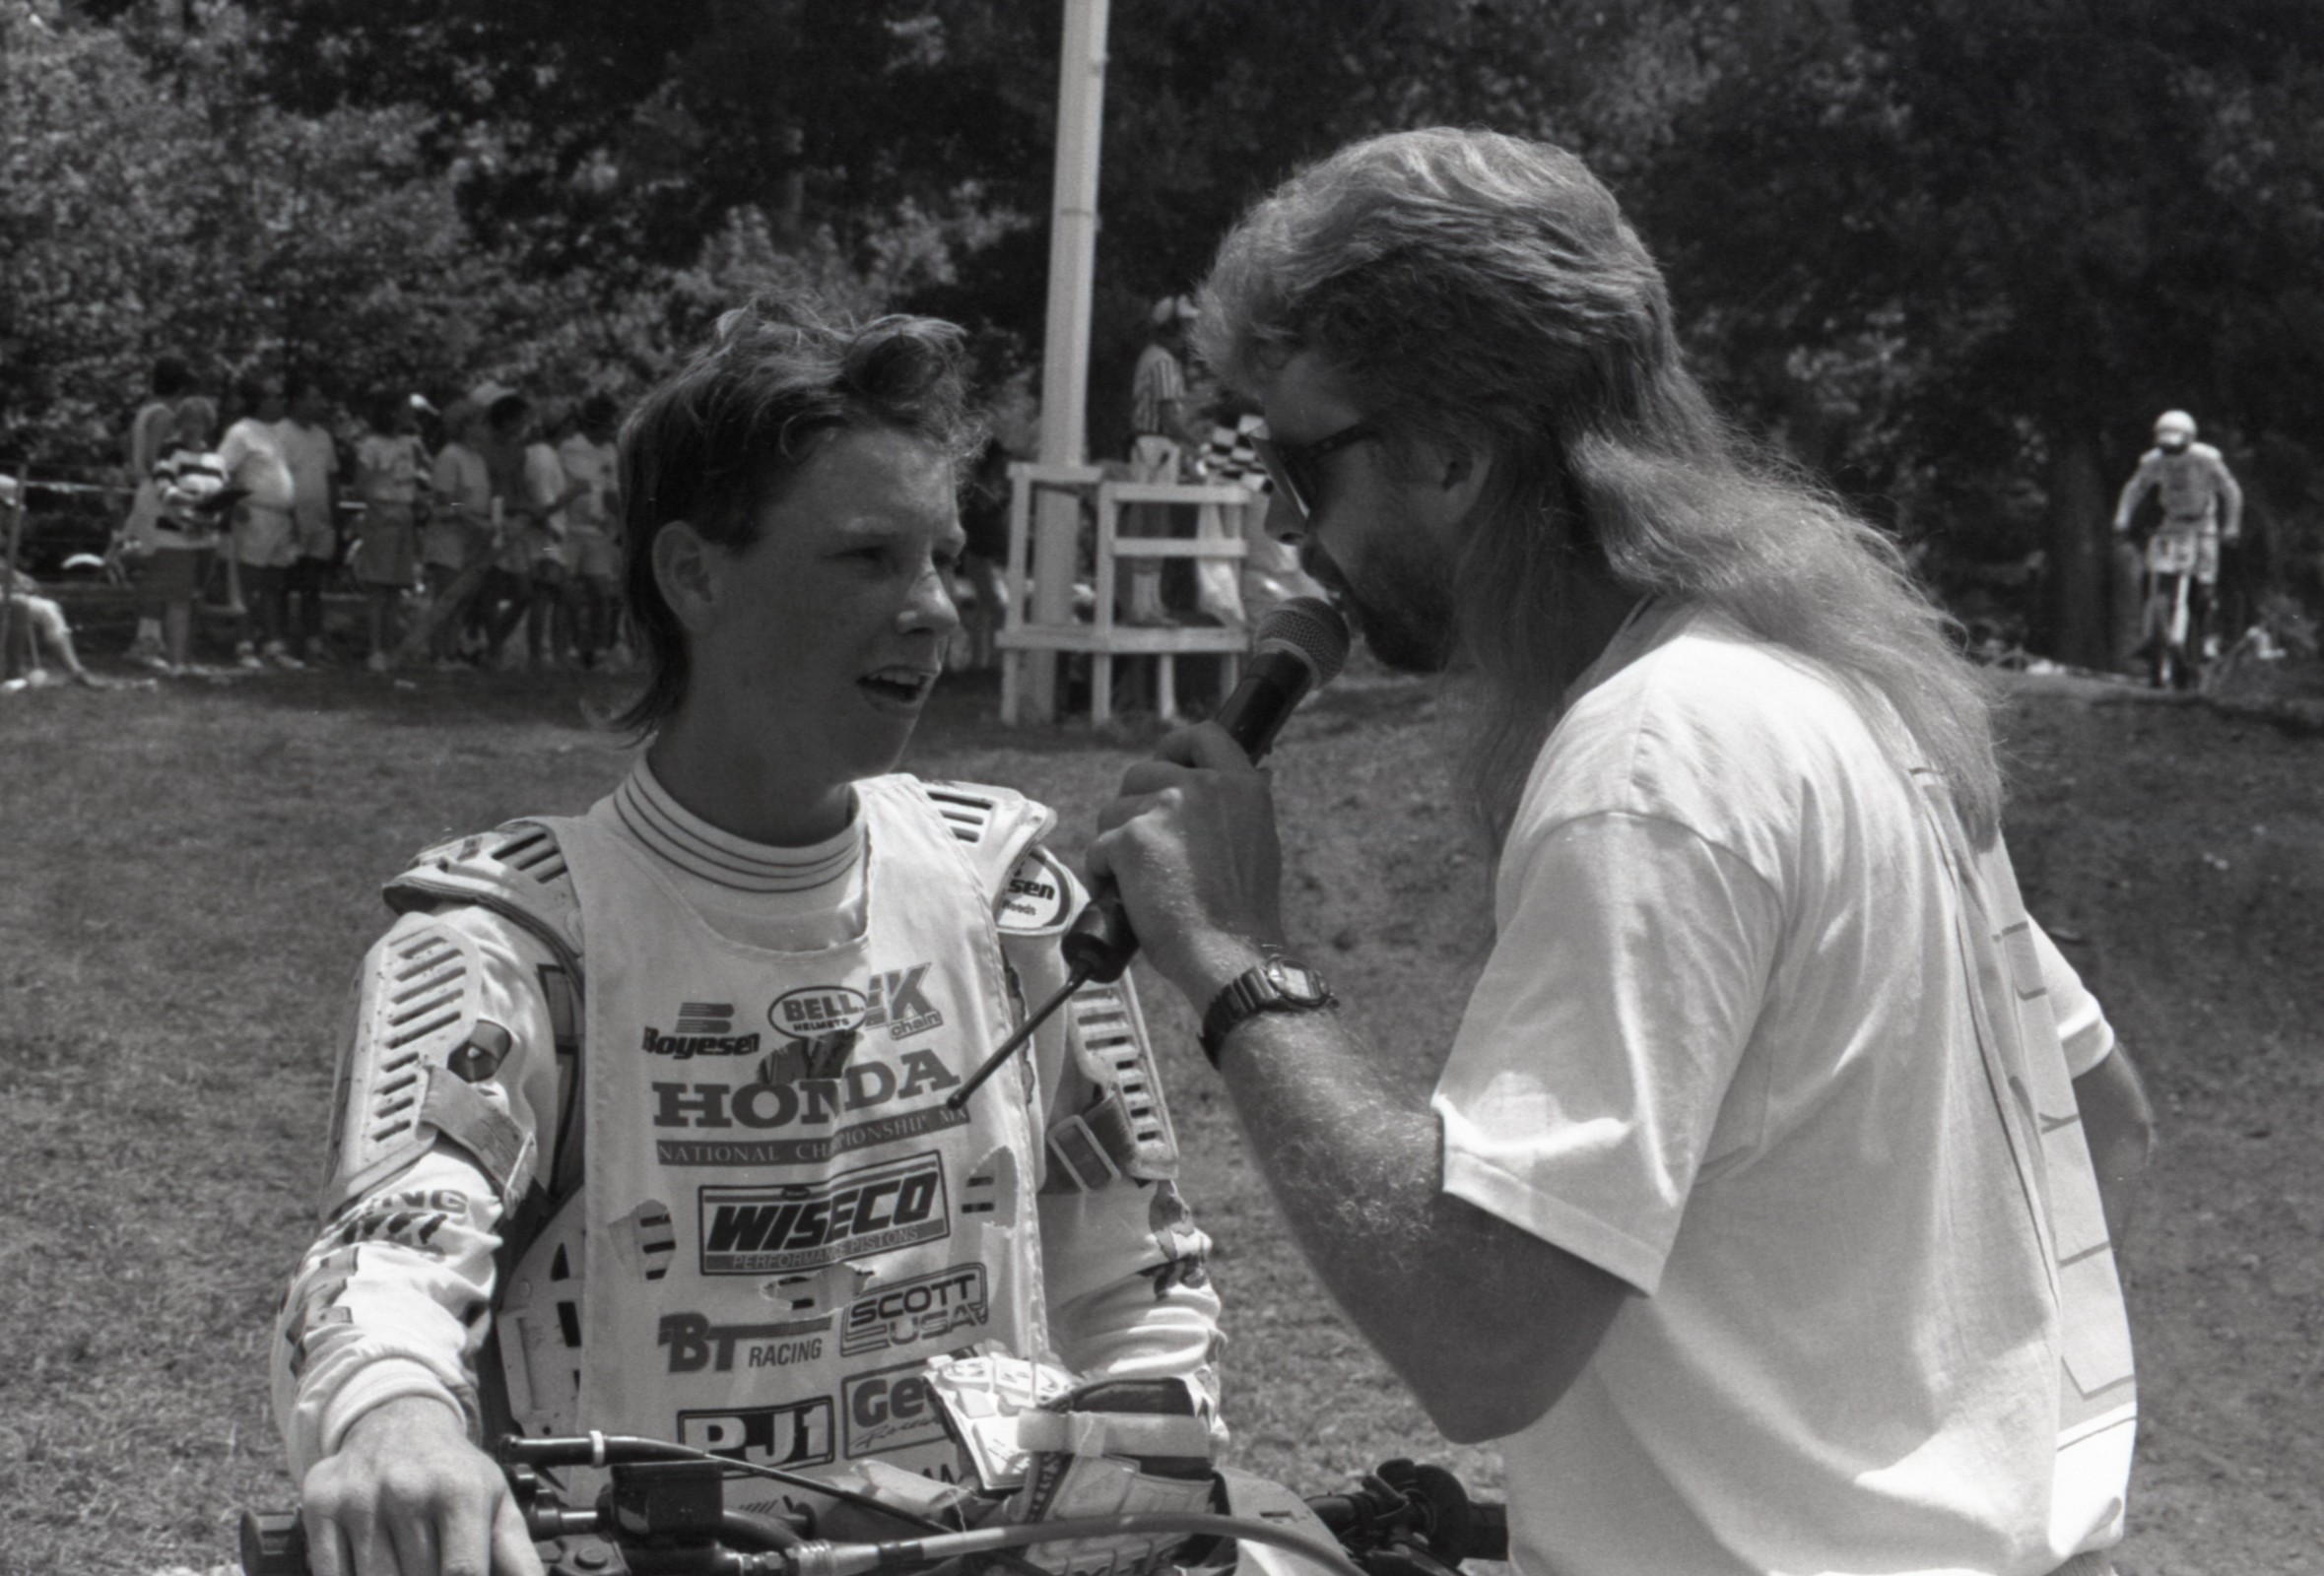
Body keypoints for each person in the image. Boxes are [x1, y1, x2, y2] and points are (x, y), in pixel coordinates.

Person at [1087, 129, 2153, 1576]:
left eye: (1297, 454)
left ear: (1450, 450)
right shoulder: (1828, 685)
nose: (1285, 515)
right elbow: (2099, 1121)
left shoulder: (1652, 765)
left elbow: (1480, 1338)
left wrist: (1228, 952)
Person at [271, 297, 1224, 1576]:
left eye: (940, 556)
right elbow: (384, 1256)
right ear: (693, 574)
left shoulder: (1010, 900)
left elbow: (1135, 1270)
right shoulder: (507, 935)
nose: (935, 609)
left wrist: (1149, 1457)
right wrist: (395, 1421)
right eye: (866, 558)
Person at [2112, 409, 2243, 687]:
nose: (2173, 453)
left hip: (2203, 527)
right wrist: (2122, 518)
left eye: (2177, 445)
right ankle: (2151, 640)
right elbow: (2135, 488)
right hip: (2171, 526)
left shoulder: (2206, 459)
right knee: (2155, 577)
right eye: (2166, 446)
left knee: (2204, 589)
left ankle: (2205, 639)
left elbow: (2230, 490)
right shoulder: (2153, 461)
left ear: (2189, 439)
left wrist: (2231, 525)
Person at [1121, 295, 1201, 626]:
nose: (1190, 332)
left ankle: (1147, 605)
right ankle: (1146, 607)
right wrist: (1195, 441)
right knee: (1153, 527)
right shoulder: (1165, 362)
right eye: (1185, 325)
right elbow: (1169, 415)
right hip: (1157, 447)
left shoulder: (1150, 356)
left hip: (1148, 445)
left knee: (1149, 526)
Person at [149, 394, 237, 675]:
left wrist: (219, 508)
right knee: (178, 598)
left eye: (199, 421)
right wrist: (191, 502)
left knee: (196, 598)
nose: (193, 426)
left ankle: (188, 659)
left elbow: (224, 493)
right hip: (176, 536)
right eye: (188, 420)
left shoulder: (217, 460)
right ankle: (176, 662)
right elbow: (163, 488)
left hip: (207, 536)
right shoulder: (169, 452)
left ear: (208, 424)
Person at [219, 373, 302, 670]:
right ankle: (244, 644)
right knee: (247, 582)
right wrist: (233, 502)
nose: (281, 401)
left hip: (280, 519)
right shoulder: (241, 432)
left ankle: (272, 644)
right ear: (259, 400)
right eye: (274, 396)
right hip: (255, 515)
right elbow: (220, 469)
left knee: (272, 583)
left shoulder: (279, 433)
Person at [119, 353, 195, 666]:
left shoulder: (146, 410)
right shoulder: (164, 414)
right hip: (157, 493)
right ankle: (146, 641)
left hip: (149, 490)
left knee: (156, 566)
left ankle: (152, 637)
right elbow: (153, 459)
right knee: (156, 567)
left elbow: (129, 449)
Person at [350, 393, 432, 672]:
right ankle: (374, 650)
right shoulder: (371, 444)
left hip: (405, 515)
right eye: (405, 410)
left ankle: (391, 646)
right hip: (383, 515)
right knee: (378, 586)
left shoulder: (408, 445)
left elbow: (414, 481)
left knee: (397, 585)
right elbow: (361, 484)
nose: (410, 415)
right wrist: (379, 507)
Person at [422, 398, 494, 667]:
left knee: (462, 598)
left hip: (473, 536)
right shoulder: (450, 455)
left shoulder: (477, 457)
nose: (485, 429)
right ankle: (438, 653)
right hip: (449, 533)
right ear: (465, 426)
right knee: (446, 595)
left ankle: (452, 652)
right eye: (480, 423)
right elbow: (445, 499)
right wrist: (467, 513)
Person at [555, 393, 624, 669]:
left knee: (600, 591)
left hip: (597, 532)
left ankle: (598, 651)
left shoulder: (610, 452)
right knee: (567, 591)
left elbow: (611, 493)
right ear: (595, 424)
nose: (613, 430)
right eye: (609, 424)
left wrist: (624, 523)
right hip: (567, 530)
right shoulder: (568, 447)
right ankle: (569, 647)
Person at [281, 379, 344, 665]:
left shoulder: (323, 437)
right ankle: (278, 642)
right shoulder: (280, 433)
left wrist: (333, 516)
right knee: (283, 581)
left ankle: (314, 643)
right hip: (289, 519)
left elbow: (331, 477)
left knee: (313, 584)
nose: (319, 404)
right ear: (297, 400)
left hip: (319, 521)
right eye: (313, 397)